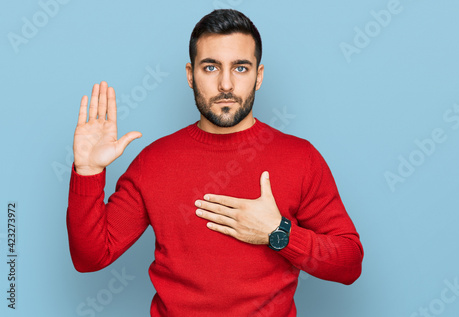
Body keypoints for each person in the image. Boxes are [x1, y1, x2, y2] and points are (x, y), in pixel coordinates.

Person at [67, 9, 363, 317]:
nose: (225, 84)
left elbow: (349, 264)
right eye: (210, 67)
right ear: (189, 74)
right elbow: (91, 258)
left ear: (258, 77)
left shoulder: (300, 158)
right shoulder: (154, 162)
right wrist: (88, 172)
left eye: (240, 68)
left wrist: (279, 233)